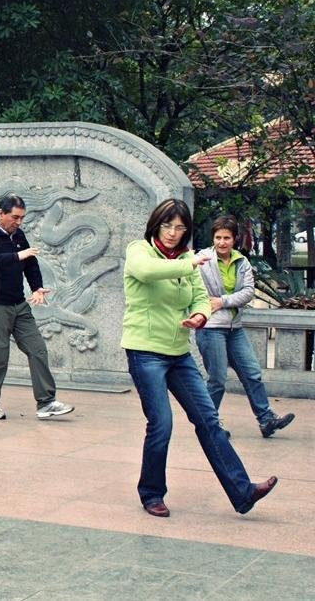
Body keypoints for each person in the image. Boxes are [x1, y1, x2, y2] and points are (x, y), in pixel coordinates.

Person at [121, 199, 278, 517]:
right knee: (161, 424)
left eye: (180, 227)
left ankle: (243, 492)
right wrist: (190, 263)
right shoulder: (140, 250)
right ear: (156, 224)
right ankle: (151, 493)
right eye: (167, 225)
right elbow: (147, 272)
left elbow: (200, 299)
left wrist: (198, 315)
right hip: (145, 351)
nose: (173, 233)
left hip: (179, 353)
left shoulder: (188, 261)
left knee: (209, 420)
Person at [0, 195, 74, 421]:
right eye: (15, 217)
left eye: (22, 218)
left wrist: (37, 288)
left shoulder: (19, 235)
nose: (18, 222)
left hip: (19, 306)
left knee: (37, 349)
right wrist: (17, 255)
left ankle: (46, 402)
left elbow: (30, 263)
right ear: (0, 213)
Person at [194, 215, 295, 438]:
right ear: (213, 238)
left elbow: (248, 292)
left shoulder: (242, 261)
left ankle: (266, 419)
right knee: (217, 379)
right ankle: (209, 426)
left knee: (252, 373)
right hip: (210, 327)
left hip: (234, 327)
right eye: (218, 237)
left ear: (235, 239)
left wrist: (222, 301)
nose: (222, 242)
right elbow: (195, 290)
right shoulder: (202, 259)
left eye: (227, 238)